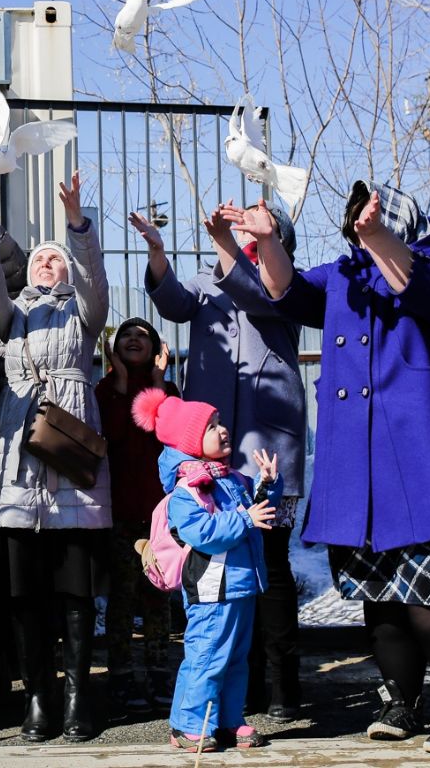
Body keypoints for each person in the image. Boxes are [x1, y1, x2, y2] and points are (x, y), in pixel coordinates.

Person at [230, 181, 430, 756]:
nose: (360, 222)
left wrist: (376, 236)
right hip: (359, 459)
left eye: (373, 217)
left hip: (425, 454)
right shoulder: (342, 276)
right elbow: (287, 293)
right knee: (379, 591)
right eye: (358, 220)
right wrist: (270, 241)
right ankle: (400, 700)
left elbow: (428, 291)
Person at [131, 200, 306, 718]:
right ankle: (241, 688)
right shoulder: (211, 278)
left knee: (269, 564)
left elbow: (255, 292)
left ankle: (282, 688)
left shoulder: (280, 277)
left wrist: (231, 250)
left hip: (264, 441)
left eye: (254, 226)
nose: (241, 231)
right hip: (209, 449)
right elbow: (173, 302)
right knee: (221, 565)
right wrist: (158, 254)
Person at [0, 172, 110, 742]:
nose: (46, 264)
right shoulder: (15, 316)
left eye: (54, 259)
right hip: (18, 451)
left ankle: (77, 699)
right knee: (24, 587)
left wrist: (76, 224)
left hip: (70, 449)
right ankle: (37, 697)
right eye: (40, 259)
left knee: (74, 585)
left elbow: (94, 279)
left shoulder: (84, 312)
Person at [132, 391, 280, 753]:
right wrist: (245, 518)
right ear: (191, 443)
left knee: (235, 658)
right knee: (207, 656)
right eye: (211, 427)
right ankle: (189, 725)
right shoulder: (189, 490)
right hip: (213, 586)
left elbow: (259, 511)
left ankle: (228, 719)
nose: (223, 430)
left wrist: (266, 486)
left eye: (219, 422)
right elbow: (204, 534)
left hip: (241, 584)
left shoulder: (232, 480)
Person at [94, 318, 178, 713]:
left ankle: (161, 670)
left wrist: (158, 385)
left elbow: (169, 436)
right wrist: (123, 382)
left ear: (156, 347)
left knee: (158, 597)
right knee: (122, 597)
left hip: (159, 513)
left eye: (141, 336)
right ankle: (122, 674)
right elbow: (114, 435)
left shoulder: (168, 391)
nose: (132, 339)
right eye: (125, 335)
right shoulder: (105, 390)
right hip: (118, 511)